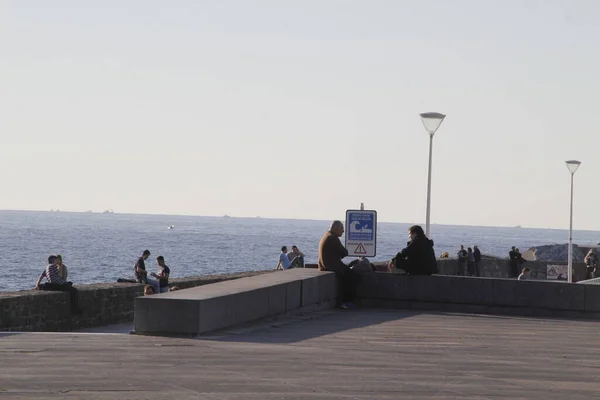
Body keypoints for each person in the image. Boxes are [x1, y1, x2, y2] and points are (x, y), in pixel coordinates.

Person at [318, 220, 360, 309]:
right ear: (335, 228)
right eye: (342, 228)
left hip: (325, 265)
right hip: (332, 266)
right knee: (353, 276)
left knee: (348, 273)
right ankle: (346, 301)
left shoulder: (326, 236)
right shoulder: (333, 238)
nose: (343, 231)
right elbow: (344, 252)